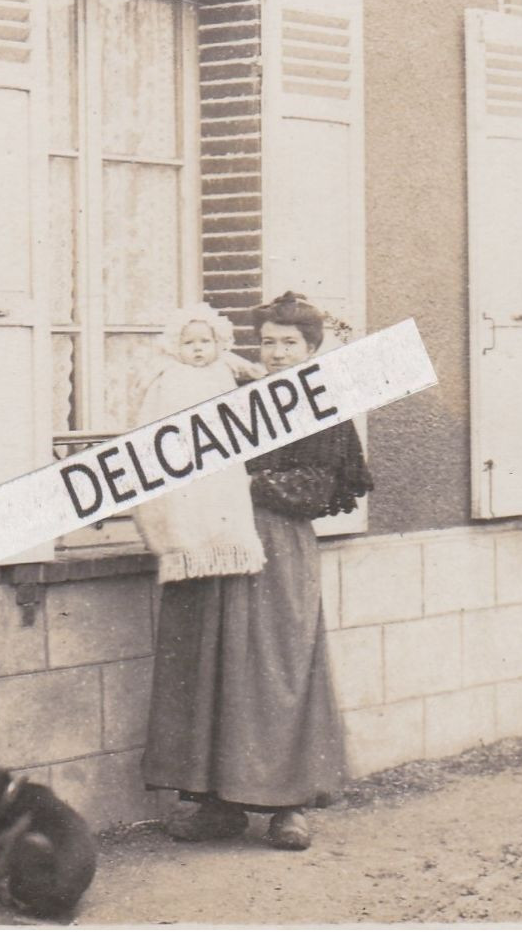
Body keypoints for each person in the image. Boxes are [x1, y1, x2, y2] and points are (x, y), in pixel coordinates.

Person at [142, 291, 373, 851]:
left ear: (311, 347)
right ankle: (214, 804)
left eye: (288, 343)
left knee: (276, 670)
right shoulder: (232, 390)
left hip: (275, 544)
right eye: (267, 342)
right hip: (213, 541)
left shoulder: (321, 405)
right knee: (210, 663)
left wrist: (244, 485)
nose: (275, 354)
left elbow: (318, 487)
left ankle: (286, 806)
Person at [129, 303, 266, 584]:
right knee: (185, 506)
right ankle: (185, 545)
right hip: (186, 446)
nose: (198, 349)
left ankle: (224, 543)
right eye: (188, 342)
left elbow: (242, 366)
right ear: (174, 346)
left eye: (205, 341)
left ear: (219, 343)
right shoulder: (171, 373)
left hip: (219, 448)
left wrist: (254, 371)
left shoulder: (221, 367)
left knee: (222, 499)